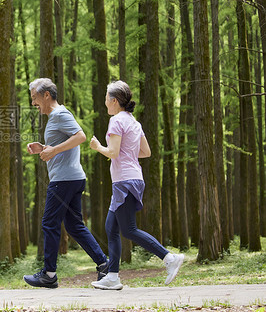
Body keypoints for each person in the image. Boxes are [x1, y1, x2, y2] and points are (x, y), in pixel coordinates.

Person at [89, 80, 184, 290]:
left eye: (106, 99)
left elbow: (113, 152)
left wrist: (98, 147)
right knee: (111, 227)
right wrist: (127, 154)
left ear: (114, 101)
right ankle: (113, 276)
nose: (105, 102)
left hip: (124, 181)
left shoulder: (116, 122)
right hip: (133, 178)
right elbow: (146, 152)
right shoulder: (133, 122)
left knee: (129, 230)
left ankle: (169, 258)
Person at [23, 78, 108, 289]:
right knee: (74, 225)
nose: (33, 103)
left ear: (46, 95)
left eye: (35, 98)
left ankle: (49, 274)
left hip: (64, 180)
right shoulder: (56, 117)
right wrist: (43, 147)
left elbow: (81, 136)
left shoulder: (60, 114)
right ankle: (104, 264)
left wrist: (53, 150)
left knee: (49, 223)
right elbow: (65, 144)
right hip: (72, 177)